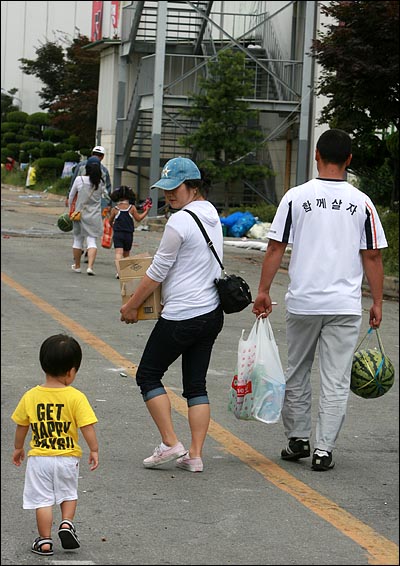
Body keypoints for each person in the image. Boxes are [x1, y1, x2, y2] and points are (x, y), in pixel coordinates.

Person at [252, 128, 388, 472]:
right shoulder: (363, 203)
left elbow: (275, 247)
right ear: (349, 160)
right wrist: (377, 302)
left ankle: (297, 439)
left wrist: (264, 290)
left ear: (316, 155)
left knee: (297, 371)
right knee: (336, 378)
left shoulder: (296, 197)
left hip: (304, 303)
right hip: (344, 305)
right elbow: (372, 257)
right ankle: (324, 450)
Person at [120, 156, 224, 473]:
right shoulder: (211, 214)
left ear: (192, 186)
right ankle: (194, 455)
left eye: (174, 188)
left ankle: (170, 442)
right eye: (165, 190)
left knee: (147, 375)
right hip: (211, 313)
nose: (168, 195)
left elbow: (157, 272)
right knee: (196, 385)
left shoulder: (178, 222)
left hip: (183, 316)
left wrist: (131, 305)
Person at [11, 334, 99, 556]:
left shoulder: (31, 396)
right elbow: (87, 426)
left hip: (39, 459)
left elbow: (22, 425)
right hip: (68, 458)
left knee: (42, 500)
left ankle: (45, 541)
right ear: (71, 371)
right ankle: (67, 523)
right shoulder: (76, 397)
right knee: (68, 494)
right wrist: (94, 449)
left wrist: (18, 447)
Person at [67, 146, 112, 263]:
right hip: (97, 206)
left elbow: (73, 183)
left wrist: (69, 200)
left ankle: (78, 255)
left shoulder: (80, 166)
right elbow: (107, 190)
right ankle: (89, 255)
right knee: (92, 233)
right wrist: (109, 205)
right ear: (102, 157)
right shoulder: (104, 171)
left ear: (91, 154)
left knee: (78, 235)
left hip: (79, 204)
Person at [69, 156, 105, 276]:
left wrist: (71, 209)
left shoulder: (80, 180)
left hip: (80, 214)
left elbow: (71, 196)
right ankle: (90, 267)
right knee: (92, 241)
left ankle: (77, 266)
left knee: (78, 240)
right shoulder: (100, 183)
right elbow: (104, 196)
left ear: (86, 168)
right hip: (94, 216)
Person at [109, 185, 152, 279]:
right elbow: (139, 219)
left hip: (118, 233)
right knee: (126, 254)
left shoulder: (115, 209)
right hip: (128, 234)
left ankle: (118, 272)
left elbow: (110, 221)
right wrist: (146, 211)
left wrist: (114, 226)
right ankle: (125, 272)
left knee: (118, 253)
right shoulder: (132, 208)